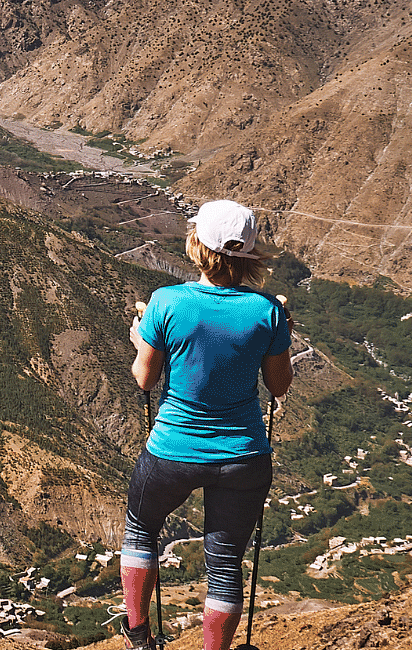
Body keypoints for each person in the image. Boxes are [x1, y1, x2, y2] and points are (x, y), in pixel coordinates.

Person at [117, 200, 292, 650]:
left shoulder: (167, 303)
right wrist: (281, 331)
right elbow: (278, 387)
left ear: (197, 245)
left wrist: (141, 337)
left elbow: (145, 379)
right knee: (226, 562)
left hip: (174, 449)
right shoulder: (267, 310)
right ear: (248, 257)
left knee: (141, 528)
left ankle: (139, 635)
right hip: (244, 456)